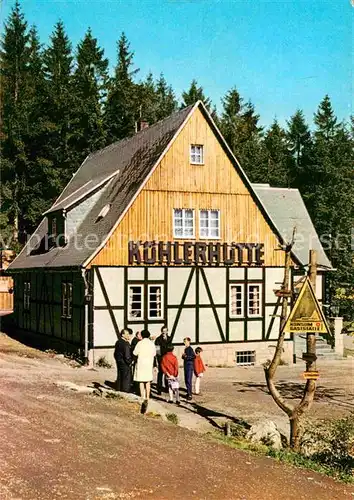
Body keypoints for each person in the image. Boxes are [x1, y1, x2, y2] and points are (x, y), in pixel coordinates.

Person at [133, 329, 156, 413]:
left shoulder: (140, 343)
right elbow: (154, 353)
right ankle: (148, 397)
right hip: (149, 363)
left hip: (141, 363)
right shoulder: (151, 344)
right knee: (148, 381)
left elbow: (135, 353)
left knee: (141, 381)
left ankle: (142, 396)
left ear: (142, 335)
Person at [155, 325, 171, 395]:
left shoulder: (170, 338)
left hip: (168, 358)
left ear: (167, 331)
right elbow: (157, 351)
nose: (164, 332)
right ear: (161, 332)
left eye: (165, 331)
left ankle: (167, 388)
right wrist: (159, 360)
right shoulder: (158, 339)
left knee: (167, 374)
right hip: (161, 358)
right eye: (163, 331)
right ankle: (159, 389)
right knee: (160, 374)